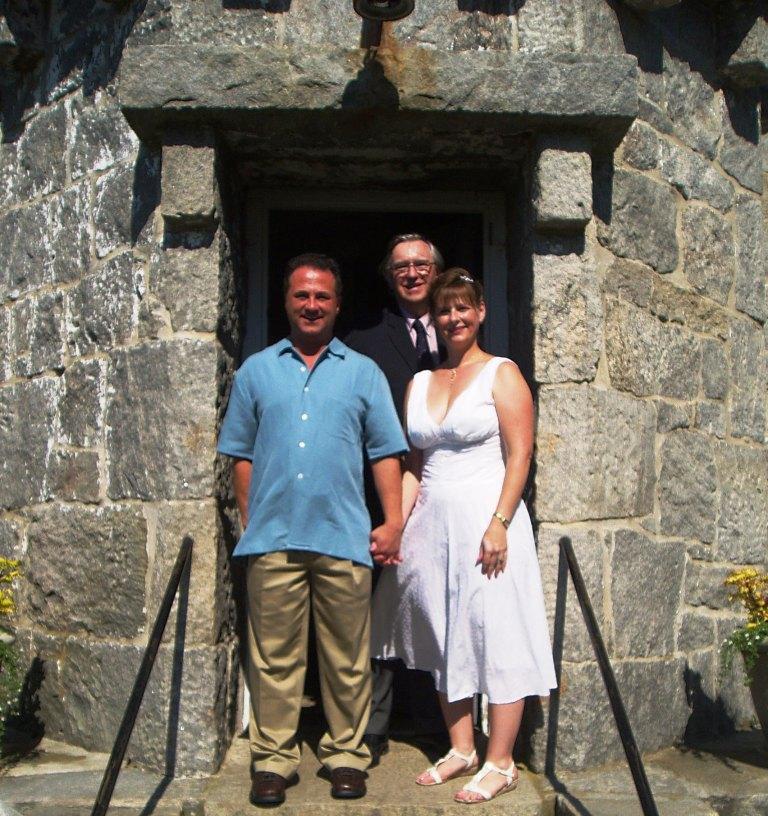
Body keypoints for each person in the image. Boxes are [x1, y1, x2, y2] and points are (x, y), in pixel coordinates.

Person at [218, 253, 407, 806]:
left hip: (343, 538)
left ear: (337, 304)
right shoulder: (255, 371)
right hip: (273, 541)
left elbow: (386, 453)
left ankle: (346, 755)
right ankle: (274, 759)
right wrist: (254, 521)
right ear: (286, 301)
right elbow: (241, 456)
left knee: (347, 659)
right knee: (275, 658)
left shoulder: (362, 372)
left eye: (322, 296)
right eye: (302, 295)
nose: (311, 305)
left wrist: (392, 521)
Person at [370, 268, 557, 804]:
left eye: (463, 308)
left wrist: (499, 522)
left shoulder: (502, 373)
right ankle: (461, 747)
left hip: (486, 523)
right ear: (434, 318)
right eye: (444, 310)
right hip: (431, 523)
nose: (453, 318)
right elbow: (413, 466)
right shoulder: (422, 381)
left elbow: (521, 454)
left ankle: (500, 759)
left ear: (480, 312)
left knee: (496, 631)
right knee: (441, 628)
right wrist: (397, 526)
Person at [345, 233, 447, 764]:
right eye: (402, 266)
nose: (412, 274)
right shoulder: (361, 338)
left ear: (437, 271)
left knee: (433, 605)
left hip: (448, 492)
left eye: (422, 265)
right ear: (390, 276)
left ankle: (435, 721)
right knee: (377, 610)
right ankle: (373, 726)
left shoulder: (464, 329)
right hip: (379, 494)